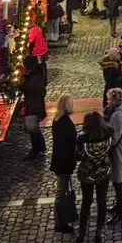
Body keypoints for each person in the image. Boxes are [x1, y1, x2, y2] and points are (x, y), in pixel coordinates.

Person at [74, 111, 113, 243]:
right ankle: (98, 233)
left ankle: (81, 235)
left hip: (87, 175)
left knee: (86, 203)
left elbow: (78, 156)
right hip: (104, 173)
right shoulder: (108, 133)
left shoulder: (82, 140)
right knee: (101, 202)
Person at [50, 94, 78, 234]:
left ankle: (60, 220)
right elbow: (70, 141)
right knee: (61, 192)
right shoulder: (65, 122)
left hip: (60, 161)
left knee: (61, 191)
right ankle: (60, 222)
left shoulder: (57, 119)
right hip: (64, 162)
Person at [105, 88, 122, 225]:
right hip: (119, 149)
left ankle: (120, 210)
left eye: (109, 98)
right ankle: (119, 206)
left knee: (118, 180)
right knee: (116, 180)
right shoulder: (117, 112)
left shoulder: (118, 116)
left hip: (118, 150)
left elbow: (115, 136)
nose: (107, 101)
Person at [21, 57, 47, 160]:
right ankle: (40, 147)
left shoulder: (34, 78)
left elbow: (30, 88)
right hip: (34, 106)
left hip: (33, 108)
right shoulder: (36, 75)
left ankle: (36, 150)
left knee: (32, 129)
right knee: (34, 129)